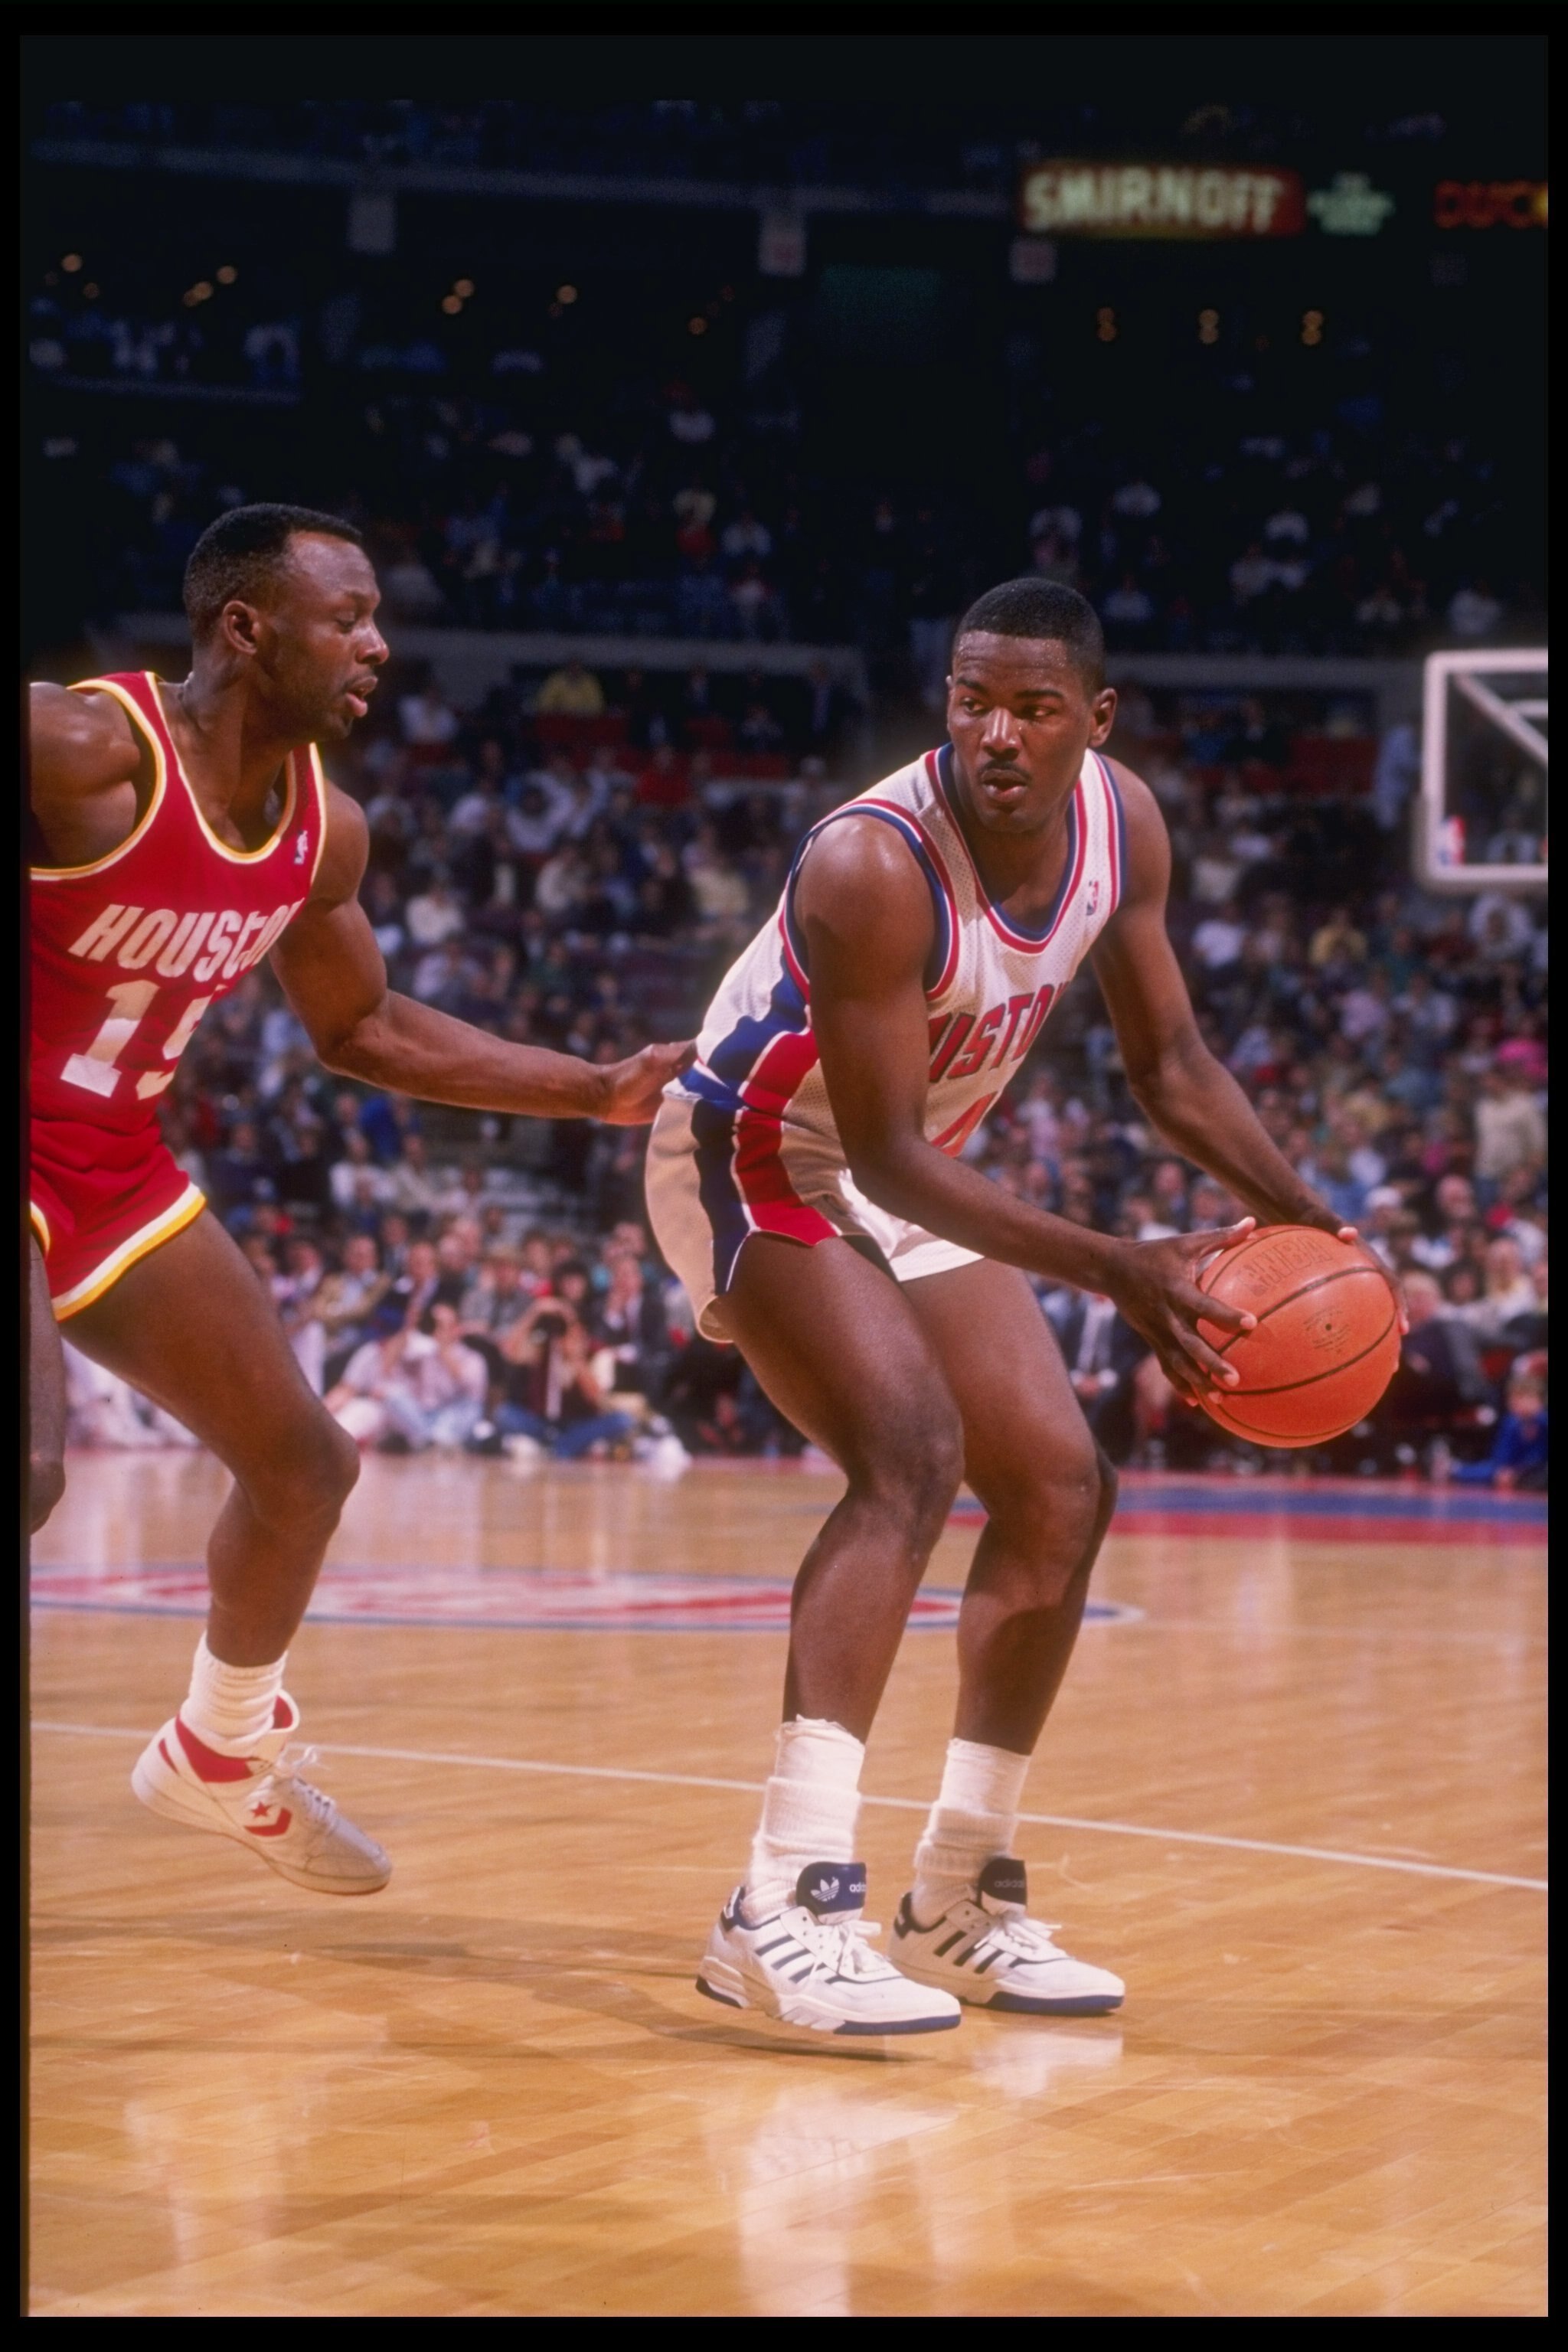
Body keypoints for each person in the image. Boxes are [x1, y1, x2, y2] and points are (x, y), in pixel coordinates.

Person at [645, 577, 1376, 2037]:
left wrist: (1312, 1226)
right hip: (753, 1154)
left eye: (1035, 708)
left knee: (1057, 1488)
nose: (997, 732)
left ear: (1093, 724)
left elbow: (1172, 1070)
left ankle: (957, 1894)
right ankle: (778, 1904)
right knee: (908, 1456)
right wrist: (1120, 1261)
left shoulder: (1126, 826)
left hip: (910, 1175)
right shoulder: (872, 864)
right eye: (974, 700)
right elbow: (894, 1155)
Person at [28, 501, 691, 1897]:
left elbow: (366, 1030)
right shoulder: (83, 746)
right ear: (245, 630)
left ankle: (217, 1753)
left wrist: (590, 1089)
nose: (380, 645)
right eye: (351, 618)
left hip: (107, 1163)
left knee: (306, 1467)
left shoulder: (324, 833)